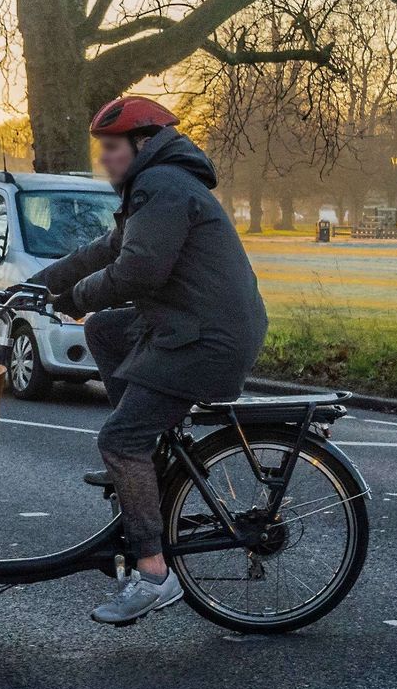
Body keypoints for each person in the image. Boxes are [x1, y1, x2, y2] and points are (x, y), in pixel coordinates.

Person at [28, 96, 267, 626]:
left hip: (205, 340)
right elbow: (105, 249)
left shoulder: (162, 186)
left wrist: (71, 298)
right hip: (190, 326)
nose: (105, 159)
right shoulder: (156, 186)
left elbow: (138, 271)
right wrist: (33, 287)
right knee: (106, 329)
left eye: (112, 148)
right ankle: (147, 460)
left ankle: (154, 574)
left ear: (142, 144)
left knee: (119, 439)